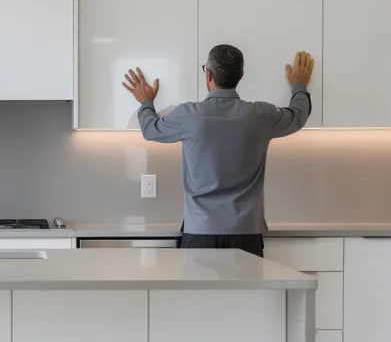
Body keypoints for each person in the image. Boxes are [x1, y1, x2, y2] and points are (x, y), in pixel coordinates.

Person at [123, 45, 315, 256]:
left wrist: (146, 102)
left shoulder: (187, 115)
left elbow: (150, 129)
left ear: (209, 74)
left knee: (202, 291)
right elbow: (298, 115)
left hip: (199, 233)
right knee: (246, 290)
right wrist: (299, 85)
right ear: (240, 76)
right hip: (246, 234)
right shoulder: (262, 115)